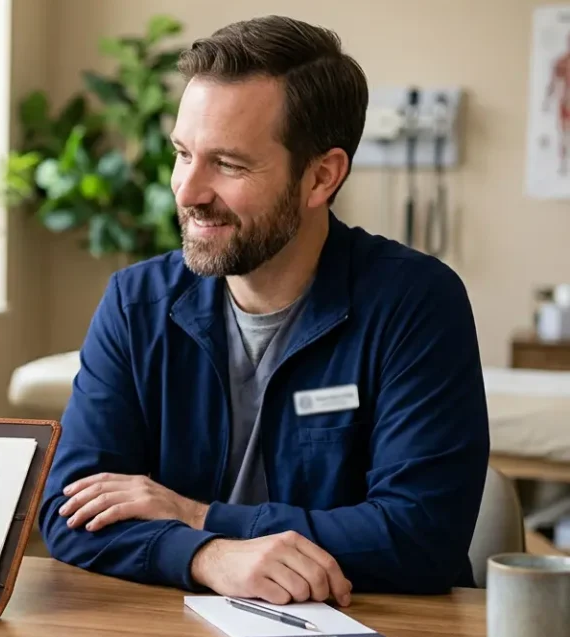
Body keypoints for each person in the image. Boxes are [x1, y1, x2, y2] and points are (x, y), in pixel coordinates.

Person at [39, 16, 489, 605]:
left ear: (321, 177)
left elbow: (419, 535)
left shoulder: (416, 304)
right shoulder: (135, 304)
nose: (188, 190)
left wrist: (199, 516)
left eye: (227, 164)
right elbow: (71, 511)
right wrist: (208, 556)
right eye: (182, 154)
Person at [546, 32, 570, 175]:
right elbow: (553, 83)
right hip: (565, 103)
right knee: (564, 135)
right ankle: (563, 164)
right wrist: (547, 101)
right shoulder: (561, 62)